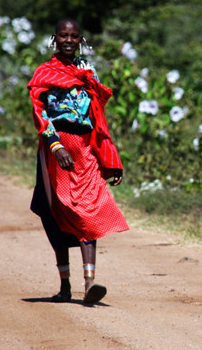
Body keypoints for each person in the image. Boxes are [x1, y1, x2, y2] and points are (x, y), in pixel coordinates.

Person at [28, 18, 129, 304]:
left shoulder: (87, 72)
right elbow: (40, 113)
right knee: (58, 210)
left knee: (90, 208)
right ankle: (65, 285)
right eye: (63, 35)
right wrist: (55, 145)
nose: (68, 40)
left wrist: (109, 157)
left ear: (80, 39)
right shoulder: (45, 72)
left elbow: (98, 116)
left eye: (73, 36)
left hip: (86, 148)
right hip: (57, 148)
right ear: (54, 38)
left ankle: (89, 284)